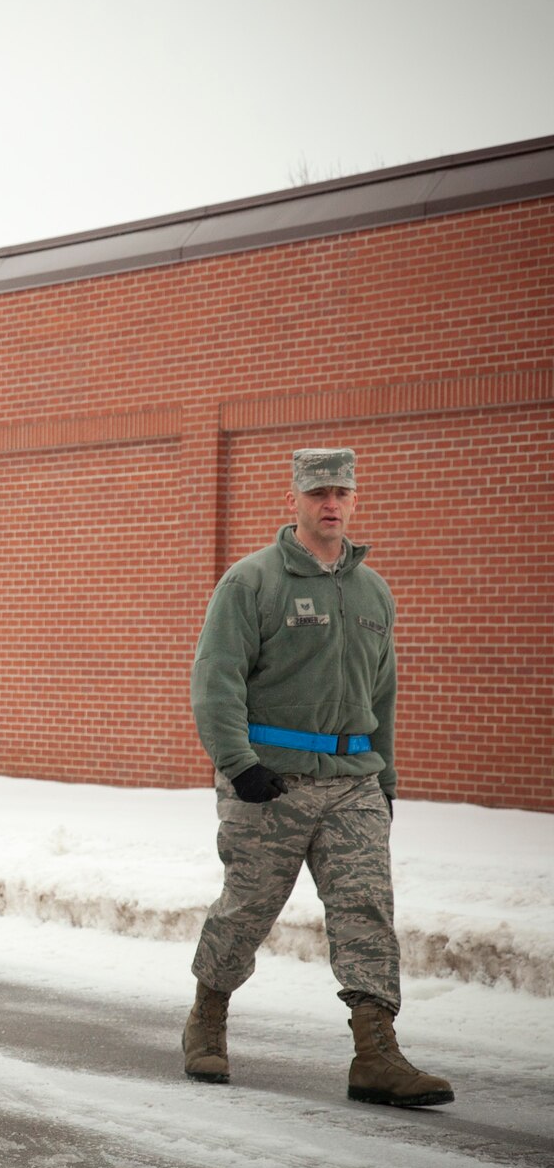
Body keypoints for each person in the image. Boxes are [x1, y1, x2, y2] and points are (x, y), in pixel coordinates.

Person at [183, 448, 450, 1107]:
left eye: (341, 492)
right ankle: (207, 1017)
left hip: (353, 781)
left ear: (354, 498)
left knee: (367, 914)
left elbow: (381, 693)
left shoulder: (372, 592)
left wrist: (384, 778)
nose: (331, 503)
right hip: (269, 783)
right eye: (319, 492)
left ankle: (376, 1051)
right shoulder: (252, 582)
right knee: (246, 910)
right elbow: (215, 678)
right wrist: (238, 763)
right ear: (296, 499)